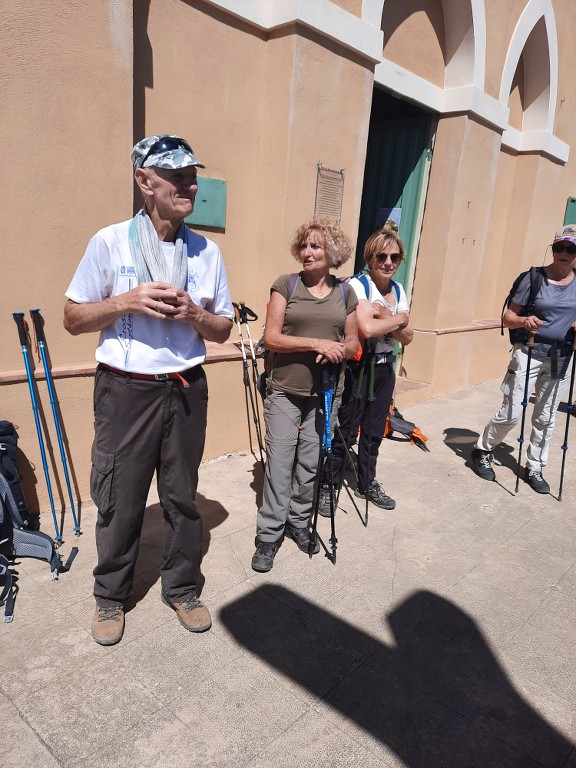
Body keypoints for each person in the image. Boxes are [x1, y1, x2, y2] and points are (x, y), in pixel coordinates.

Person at [64, 134, 234, 645]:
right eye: (177, 175)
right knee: (120, 495)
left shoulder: (206, 251)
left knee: (182, 497)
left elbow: (223, 328)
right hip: (125, 390)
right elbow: (72, 317)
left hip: (185, 388)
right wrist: (127, 300)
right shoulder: (110, 242)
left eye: (192, 175)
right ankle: (111, 596)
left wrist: (195, 314)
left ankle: (182, 588)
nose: (190, 184)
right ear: (145, 181)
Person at [251, 218, 359, 573]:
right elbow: (271, 338)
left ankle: (299, 522)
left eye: (316, 246)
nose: (308, 252)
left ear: (332, 253)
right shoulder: (286, 285)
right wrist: (316, 343)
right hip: (284, 389)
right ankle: (269, 533)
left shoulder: (346, 293)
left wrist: (339, 351)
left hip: (326, 392)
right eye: (305, 246)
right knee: (280, 462)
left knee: (311, 462)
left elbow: (353, 342)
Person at [472, 224, 576, 493]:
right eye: (559, 247)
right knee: (512, 411)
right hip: (529, 351)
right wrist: (523, 320)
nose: (564, 253)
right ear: (552, 249)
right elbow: (508, 316)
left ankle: (535, 467)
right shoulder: (534, 278)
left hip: (561, 356)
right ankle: (483, 448)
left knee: (546, 416)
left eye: (571, 248)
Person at [319, 226, 413, 514]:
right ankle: (329, 485)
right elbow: (366, 327)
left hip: (385, 368)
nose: (388, 262)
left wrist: (385, 315)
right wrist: (398, 319)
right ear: (370, 258)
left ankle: (366, 481)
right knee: (346, 429)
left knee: (374, 431)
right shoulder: (359, 286)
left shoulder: (398, 290)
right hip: (359, 367)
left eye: (394, 258)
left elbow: (408, 337)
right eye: (381, 256)